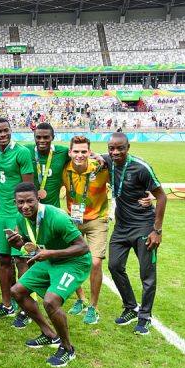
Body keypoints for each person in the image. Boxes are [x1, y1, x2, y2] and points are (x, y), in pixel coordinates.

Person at [8, 182, 92, 367]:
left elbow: (83, 247)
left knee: (51, 301)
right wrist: (19, 245)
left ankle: (67, 349)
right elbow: (32, 247)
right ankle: (49, 334)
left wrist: (51, 253)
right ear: (15, 202)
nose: (25, 206)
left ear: (38, 198)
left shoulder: (57, 217)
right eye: (20, 202)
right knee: (17, 291)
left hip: (74, 262)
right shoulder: (21, 219)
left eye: (30, 201)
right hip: (49, 260)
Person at [105, 132, 166, 335]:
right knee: (114, 266)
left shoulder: (141, 167)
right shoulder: (108, 162)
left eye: (119, 148)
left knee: (146, 274)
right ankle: (130, 307)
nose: (115, 152)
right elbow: (90, 156)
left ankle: (145, 316)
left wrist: (156, 230)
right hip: (121, 227)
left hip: (143, 227)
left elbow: (162, 196)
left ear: (128, 147)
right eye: (111, 148)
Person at [0, 117, 34, 322]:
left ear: (11, 131)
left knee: (21, 260)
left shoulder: (22, 152)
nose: (2, 135)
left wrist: (24, 216)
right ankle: (6, 305)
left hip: (17, 215)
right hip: (1, 214)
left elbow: (28, 189)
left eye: (5, 131)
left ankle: (26, 308)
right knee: (2, 259)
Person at [60, 136, 110, 325]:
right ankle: (80, 299)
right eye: (76, 151)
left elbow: (123, 167)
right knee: (72, 259)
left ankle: (93, 307)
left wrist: (145, 195)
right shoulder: (64, 169)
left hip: (97, 219)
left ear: (89, 152)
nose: (80, 155)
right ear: (70, 152)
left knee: (95, 263)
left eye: (84, 151)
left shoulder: (101, 167)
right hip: (73, 219)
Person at [24, 123, 70, 208]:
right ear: (34, 138)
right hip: (31, 208)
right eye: (38, 137)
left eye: (46, 137)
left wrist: (96, 156)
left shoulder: (63, 152)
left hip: (53, 209)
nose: (42, 140)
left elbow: (80, 154)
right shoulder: (25, 150)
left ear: (53, 137)